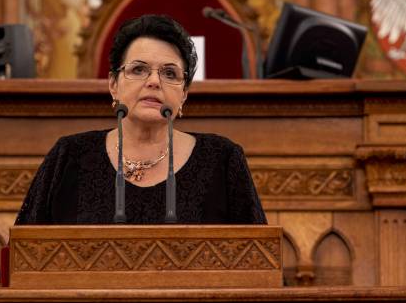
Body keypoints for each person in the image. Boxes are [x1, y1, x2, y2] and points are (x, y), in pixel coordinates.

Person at [15, 15, 266, 224]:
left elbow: (259, 257)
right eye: (138, 69)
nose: (154, 81)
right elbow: (23, 253)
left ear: (184, 94)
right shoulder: (69, 156)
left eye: (170, 73)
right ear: (113, 84)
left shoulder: (222, 159)